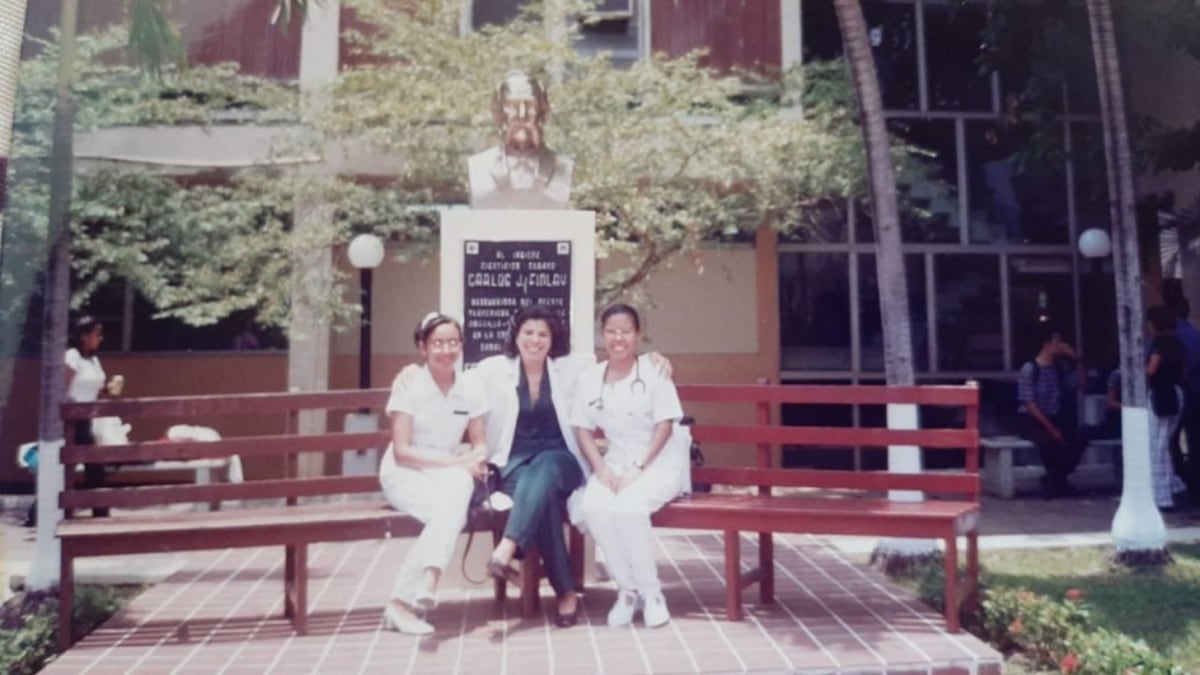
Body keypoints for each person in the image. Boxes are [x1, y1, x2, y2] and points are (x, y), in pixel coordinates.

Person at [572, 304, 690, 628]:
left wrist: (638, 468)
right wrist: (600, 468)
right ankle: (626, 590)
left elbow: (665, 426)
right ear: (602, 334)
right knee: (594, 506)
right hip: (612, 463)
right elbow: (582, 429)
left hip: (657, 462)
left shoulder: (655, 372)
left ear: (638, 336)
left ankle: (652, 594)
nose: (618, 338)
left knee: (628, 509)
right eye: (611, 331)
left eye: (625, 332)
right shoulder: (590, 377)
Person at [474, 304, 592, 627]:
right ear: (516, 334)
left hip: (561, 460)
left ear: (553, 339)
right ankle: (566, 593)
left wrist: (654, 361)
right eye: (528, 332)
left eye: (543, 333)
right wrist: (411, 373)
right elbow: (457, 388)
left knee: (544, 468)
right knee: (545, 503)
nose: (535, 340)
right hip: (514, 465)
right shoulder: (492, 370)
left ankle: (508, 546)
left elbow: (618, 363)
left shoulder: (572, 369)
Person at [378, 312, 490, 635]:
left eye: (453, 342)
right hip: (404, 474)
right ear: (422, 347)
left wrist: (476, 459)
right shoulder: (409, 384)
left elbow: (480, 443)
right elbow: (403, 452)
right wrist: (459, 462)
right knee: (452, 508)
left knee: (451, 501)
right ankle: (424, 582)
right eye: (438, 343)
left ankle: (409, 596)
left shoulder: (470, 387)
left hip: (444, 474)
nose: (446, 350)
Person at [467, 70, 574, 210]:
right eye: (511, 106)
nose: (522, 115)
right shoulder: (478, 166)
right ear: (497, 112)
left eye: (530, 106)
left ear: (544, 111)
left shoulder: (563, 167)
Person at [1016, 324, 1086, 497]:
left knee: (1079, 437)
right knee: (1049, 441)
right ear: (1046, 345)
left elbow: (1080, 384)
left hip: (1055, 415)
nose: (1059, 346)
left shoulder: (1059, 368)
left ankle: (1056, 478)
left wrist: (1077, 360)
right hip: (1033, 419)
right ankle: (1056, 481)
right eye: (1056, 342)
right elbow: (1029, 403)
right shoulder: (1031, 369)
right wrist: (1051, 429)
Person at [65, 316, 123, 518]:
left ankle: (99, 512)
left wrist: (109, 389)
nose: (101, 338)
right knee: (81, 466)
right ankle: (97, 512)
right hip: (73, 419)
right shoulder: (72, 356)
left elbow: (93, 389)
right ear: (84, 336)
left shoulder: (94, 360)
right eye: (97, 334)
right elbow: (64, 386)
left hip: (91, 417)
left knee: (94, 465)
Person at [1145, 305, 1188, 511]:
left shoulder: (1158, 344)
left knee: (1156, 447)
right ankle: (1173, 486)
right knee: (1166, 443)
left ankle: (1161, 496)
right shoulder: (1178, 343)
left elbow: (1152, 369)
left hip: (1160, 396)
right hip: (1177, 393)